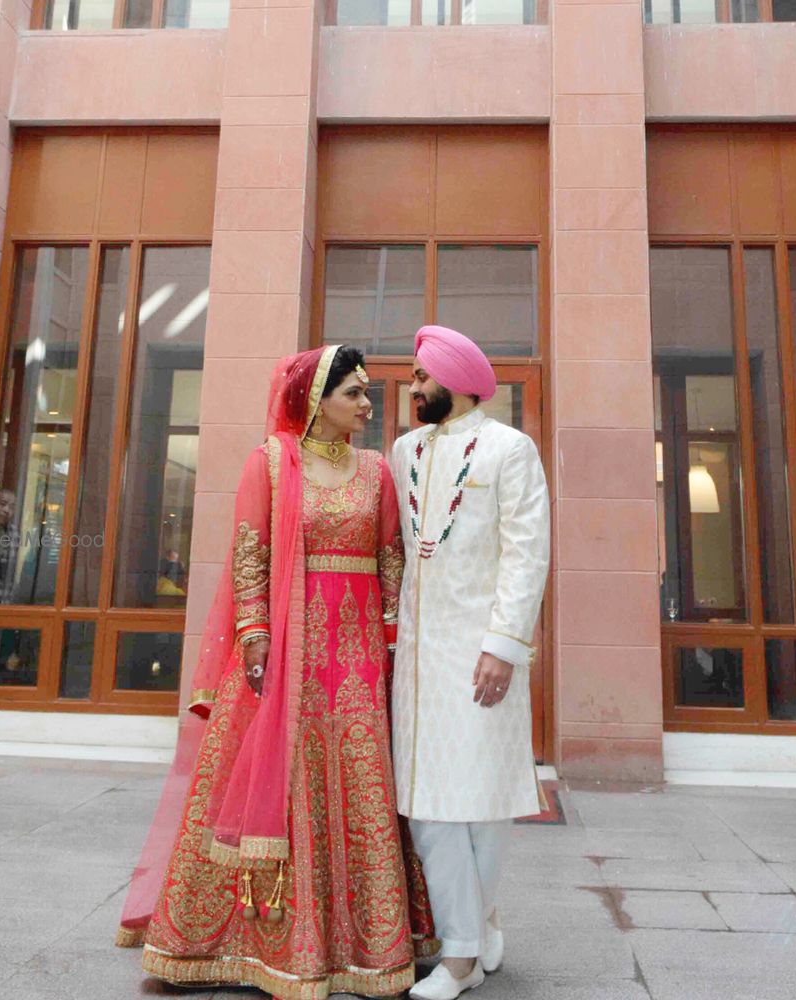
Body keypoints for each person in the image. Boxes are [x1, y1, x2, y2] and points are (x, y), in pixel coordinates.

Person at [116, 345, 434, 999]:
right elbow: (250, 553)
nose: (368, 405)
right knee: (272, 781)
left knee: (360, 783)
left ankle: (368, 949)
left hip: (356, 655)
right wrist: (255, 635)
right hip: (284, 652)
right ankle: (232, 944)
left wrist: (395, 640)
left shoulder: (375, 471)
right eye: (355, 393)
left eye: (367, 392)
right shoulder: (269, 463)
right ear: (317, 401)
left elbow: (391, 560)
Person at [390, 325, 550, 1000]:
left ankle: (468, 943)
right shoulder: (403, 452)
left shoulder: (512, 449)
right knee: (428, 806)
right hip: (420, 662)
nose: (414, 388)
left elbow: (527, 552)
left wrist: (503, 647)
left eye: (423, 378)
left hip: (484, 656)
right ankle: (466, 943)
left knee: (483, 804)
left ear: (454, 382)